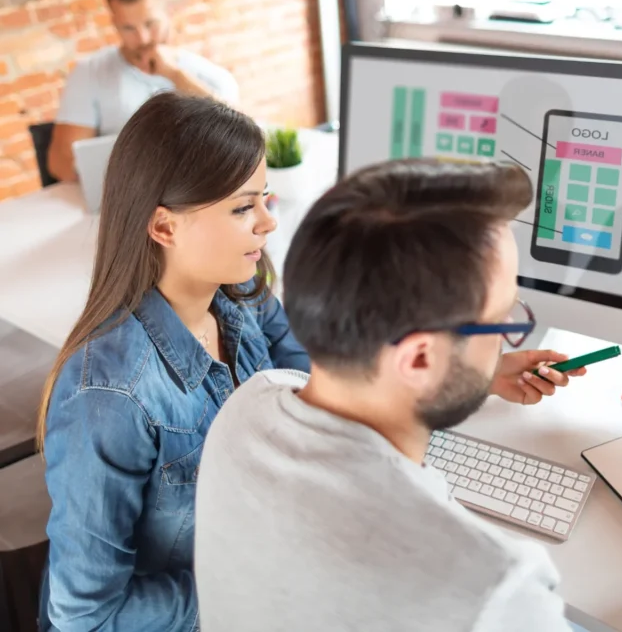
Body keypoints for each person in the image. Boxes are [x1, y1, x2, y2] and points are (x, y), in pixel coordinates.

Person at [194, 158, 622, 631]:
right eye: (502, 321)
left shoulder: (248, 407)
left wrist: (473, 373)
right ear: (419, 359)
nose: (507, 337)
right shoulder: (491, 586)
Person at [37, 95, 579, 632]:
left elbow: (338, 380)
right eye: (243, 208)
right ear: (164, 228)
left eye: (266, 199)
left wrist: (472, 370)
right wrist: (263, 579)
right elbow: (85, 615)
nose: (268, 223)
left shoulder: (240, 297)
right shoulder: (109, 395)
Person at [47, 0, 239, 183]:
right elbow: (60, 163)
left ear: (167, 12)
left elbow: (236, 133)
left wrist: (174, 75)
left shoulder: (209, 75)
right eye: (128, 28)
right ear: (114, 24)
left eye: (150, 24)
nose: (143, 38)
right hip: (124, 192)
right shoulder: (89, 73)